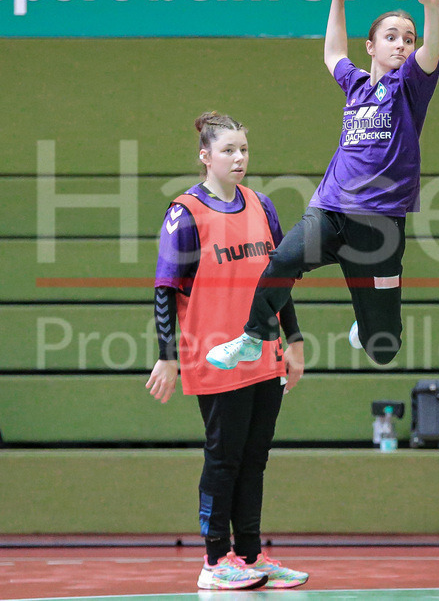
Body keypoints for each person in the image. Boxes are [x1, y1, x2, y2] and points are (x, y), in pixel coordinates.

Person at [205, 0, 439, 369]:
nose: (402, 44)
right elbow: (333, 50)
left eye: (408, 39)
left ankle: (368, 326)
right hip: (331, 209)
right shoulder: (355, 86)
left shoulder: (409, 86)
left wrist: (431, 5)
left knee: (384, 349)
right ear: (371, 46)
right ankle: (253, 336)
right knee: (282, 261)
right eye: (392, 37)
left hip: (380, 226)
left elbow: (433, 49)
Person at [146, 112, 310, 591]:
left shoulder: (262, 206)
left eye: (244, 150)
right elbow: (164, 288)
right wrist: (167, 355)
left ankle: (252, 556)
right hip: (214, 356)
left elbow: (278, 284)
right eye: (228, 151)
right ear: (205, 156)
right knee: (225, 458)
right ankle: (216, 559)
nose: (239, 159)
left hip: (264, 354)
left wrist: (293, 340)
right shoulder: (185, 213)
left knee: (254, 458)